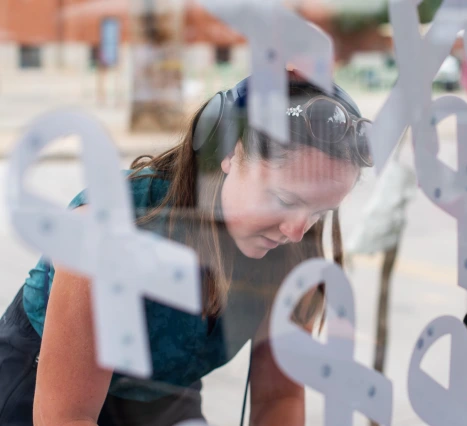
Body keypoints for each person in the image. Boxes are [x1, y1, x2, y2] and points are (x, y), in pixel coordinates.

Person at [0, 70, 373, 426]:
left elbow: (280, 398)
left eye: (320, 212)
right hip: (37, 390)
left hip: (162, 393)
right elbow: (66, 417)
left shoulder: (293, 252)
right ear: (227, 150)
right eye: (283, 199)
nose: (296, 231)